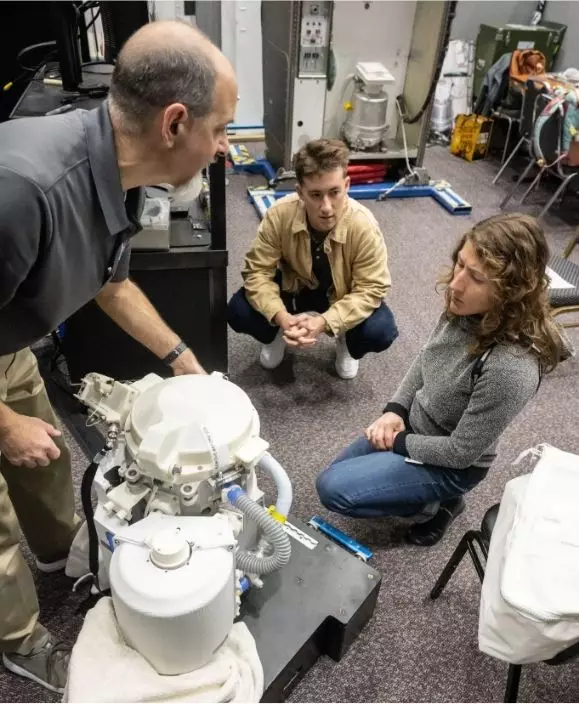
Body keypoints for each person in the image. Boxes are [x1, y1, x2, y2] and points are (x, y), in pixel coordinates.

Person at [0, 21, 237, 693]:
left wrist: (184, 362)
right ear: (174, 123)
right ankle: (20, 642)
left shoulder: (119, 169)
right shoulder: (23, 193)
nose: (225, 148)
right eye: (221, 129)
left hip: (8, 342)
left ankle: (58, 556)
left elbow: (113, 284)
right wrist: (4, 425)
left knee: (47, 461)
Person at [316, 213, 567, 546]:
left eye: (476, 277)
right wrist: (395, 410)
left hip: (452, 463)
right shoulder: (465, 304)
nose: (455, 284)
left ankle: (436, 505)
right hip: (416, 425)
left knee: (334, 491)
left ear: (511, 291)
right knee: (332, 476)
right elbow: (427, 357)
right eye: (460, 264)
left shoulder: (512, 367)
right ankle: (416, 488)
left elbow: (460, 452)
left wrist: (397, 442)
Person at [227, 138, 398, 379]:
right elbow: (257, 273)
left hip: (341, 294)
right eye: (316, 195)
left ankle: (347, 340)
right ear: (300, 192)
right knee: (238, 311)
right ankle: (276, 333)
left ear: (347, 185)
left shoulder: (364, 226)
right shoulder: (279, 215)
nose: (326, 207)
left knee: (380, 330)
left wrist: (327, 322)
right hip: (294, 290)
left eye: (334, 192)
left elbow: (372, 288)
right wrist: (280, 316)